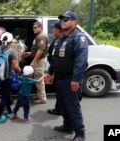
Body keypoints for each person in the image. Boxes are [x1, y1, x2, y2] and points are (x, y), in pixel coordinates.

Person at [46, 11, 88, 141]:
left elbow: (80, 61)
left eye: (66, 19)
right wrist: (50, 72)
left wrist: (75, 79)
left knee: (72, 107)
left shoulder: (79, 38)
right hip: (59, 78)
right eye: (62, 19)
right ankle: (67, 126)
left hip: (70, 79)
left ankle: (80, 133)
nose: (63, 21)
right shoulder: (61, 38)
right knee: (63, 105)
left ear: (74, 22)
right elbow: (55, 58)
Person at [0, 32, 21, 123]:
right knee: (5, 96)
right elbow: (16, 67)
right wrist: (19, 72)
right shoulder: (12, 52)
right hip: (7, 77)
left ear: (1, 40)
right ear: (11, 41)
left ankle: (9, 111)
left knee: (6, 94)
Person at [30, 21, 49, 104]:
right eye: (33, 27)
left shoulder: (41, 37)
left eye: (35, 27)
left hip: (39, 61)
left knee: (39, 79)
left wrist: (34, 61)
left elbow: (40, 50)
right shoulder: (38, 36)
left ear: (40, 27)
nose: (33, 29)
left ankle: (42, 99)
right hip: (38, 60)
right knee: (37, 78)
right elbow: (37, 50)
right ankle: (39, 95)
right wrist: (29, 54)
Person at [47, 22, 63, 115]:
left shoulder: (61, 40)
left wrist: (52, 70)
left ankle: (60, 109)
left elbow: (55, 57)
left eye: (54, 29)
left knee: (60, 92)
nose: (53, 31)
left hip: (59, 71)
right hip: (55, 69)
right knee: (58, 91)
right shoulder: (57, 39)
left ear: (58, 30)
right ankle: (58, 108)